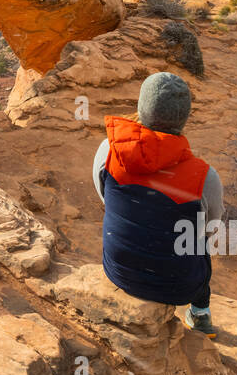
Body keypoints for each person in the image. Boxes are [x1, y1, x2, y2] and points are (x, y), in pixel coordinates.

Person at [92, 71, 224, 337]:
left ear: (141, 106)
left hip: (119, 271)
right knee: (199, 243)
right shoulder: (205, 177)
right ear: (184, 117)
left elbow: (104, 194)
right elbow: (211, 227)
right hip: (179, 288)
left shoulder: (109, 150)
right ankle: (200, 315)